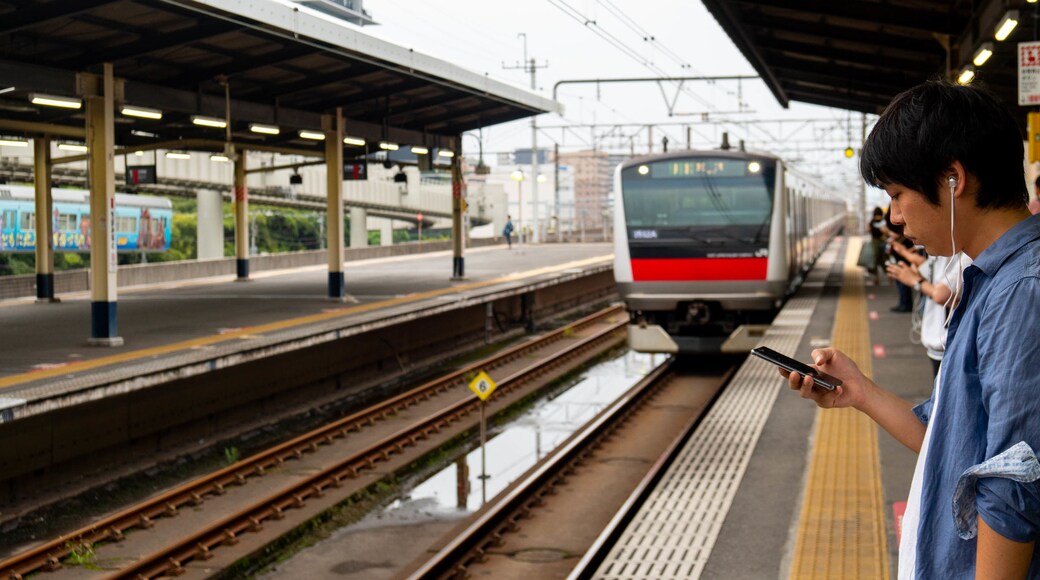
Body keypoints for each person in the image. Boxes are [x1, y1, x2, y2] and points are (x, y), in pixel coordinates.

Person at [782, 81, 1040, 578]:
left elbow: (1015, 486)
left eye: (897, 194)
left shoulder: (1021, 290)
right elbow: (953, 441)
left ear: (952, 178)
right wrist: (858, 391)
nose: (895, 218)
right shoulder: (988, 279)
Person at [885, 246, 969, 377]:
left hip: (947, 342)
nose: (900, 225)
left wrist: (916, 281)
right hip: (937, 339)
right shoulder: (940, 250)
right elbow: (932, 273)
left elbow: (942, 295)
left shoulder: (966, 255)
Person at [885, 208, 916, 312]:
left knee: (902, 279)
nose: (894, 219)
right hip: (901, 253)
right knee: (901, 279)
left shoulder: (896, 215)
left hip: (902, 254)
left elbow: (940, 295)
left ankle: (905, 304)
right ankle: (904, 303)